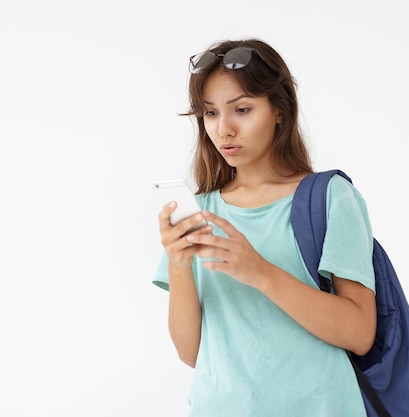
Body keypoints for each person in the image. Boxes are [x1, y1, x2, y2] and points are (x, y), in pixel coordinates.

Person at [152, 38, 377, 417]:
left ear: (279, 110)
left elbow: (359, 334)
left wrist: (260, 272)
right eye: (210, 113)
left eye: (242, 109)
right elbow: (192, 354)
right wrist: (178, 264)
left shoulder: (329, 198)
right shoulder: (202, 210)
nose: (224, 129)